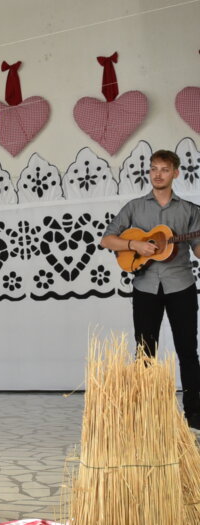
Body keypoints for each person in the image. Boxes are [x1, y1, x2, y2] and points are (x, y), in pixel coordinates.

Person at [100, 149, 200, 429]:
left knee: (188, 351)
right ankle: (144, 414)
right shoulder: (134, 207)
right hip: (145, 287)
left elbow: (197, 249)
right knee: (144, 351)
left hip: (181, 285)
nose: (158, 174)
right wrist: (135, 244)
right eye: (154, 168)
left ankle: (194, 414)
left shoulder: (190, 211)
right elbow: (107, 239)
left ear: (175, 173)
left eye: (164, 169)